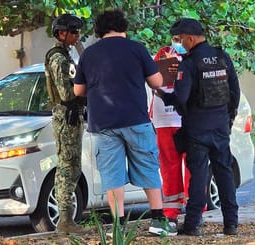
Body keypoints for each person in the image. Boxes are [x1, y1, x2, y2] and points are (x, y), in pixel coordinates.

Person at [73, 9, 177, 237]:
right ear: (124, 28)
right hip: (136, 119)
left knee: (113, 174)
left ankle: (118, 226)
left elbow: (78, 90)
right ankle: (158, 220)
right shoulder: (137, 49)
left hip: (103, 123)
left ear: (99, 30)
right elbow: (157, 81)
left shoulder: (89, 54)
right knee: (148, 166)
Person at [165, 18, 241, 236]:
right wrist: (228, 119)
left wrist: (164, 96)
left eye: (180, 40)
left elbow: (181, 97)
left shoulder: (188, 63)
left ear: (190, 38)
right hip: (220, 126)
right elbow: (234, 92)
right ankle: (231, 224)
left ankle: (193, 225)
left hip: (197, 129)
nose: (179, 44)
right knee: (224, 173)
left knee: (198, 176)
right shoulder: (221, 57)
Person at [44, 13, 87, 233]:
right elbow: (67, 93)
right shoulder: (59, 58)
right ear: (62, 33)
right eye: (74, 32)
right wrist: (84, 88)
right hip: (66, 118)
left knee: (73, 167)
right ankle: (65, 220)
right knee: (67, 168)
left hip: (71, 117)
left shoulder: (65, 55)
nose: (77, 36)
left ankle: (67, 220)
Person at [150, 36, 191, 227]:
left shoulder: (194, 56)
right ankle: (171, 213)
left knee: (192, 165)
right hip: (164, 119)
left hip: (187, 119)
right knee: (169, 167)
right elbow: (153, 80)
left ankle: (194, 209)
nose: (178, 41)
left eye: (180, 38)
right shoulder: (162, 54)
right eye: (175, 38)